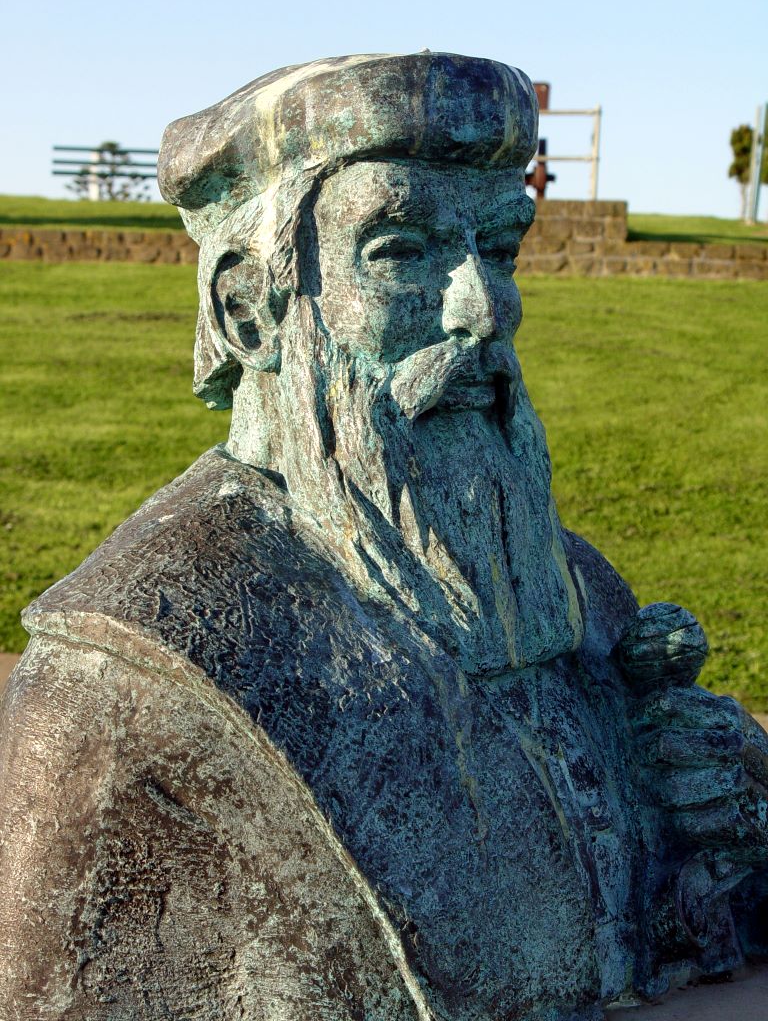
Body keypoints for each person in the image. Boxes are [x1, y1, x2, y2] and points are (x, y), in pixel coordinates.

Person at [1, 53, 766, 1021]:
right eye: (400, 251)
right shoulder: (126, 685)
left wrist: (714, 837)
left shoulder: (578, 592)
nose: (484, 311)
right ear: (249, 309)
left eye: (499, 249)